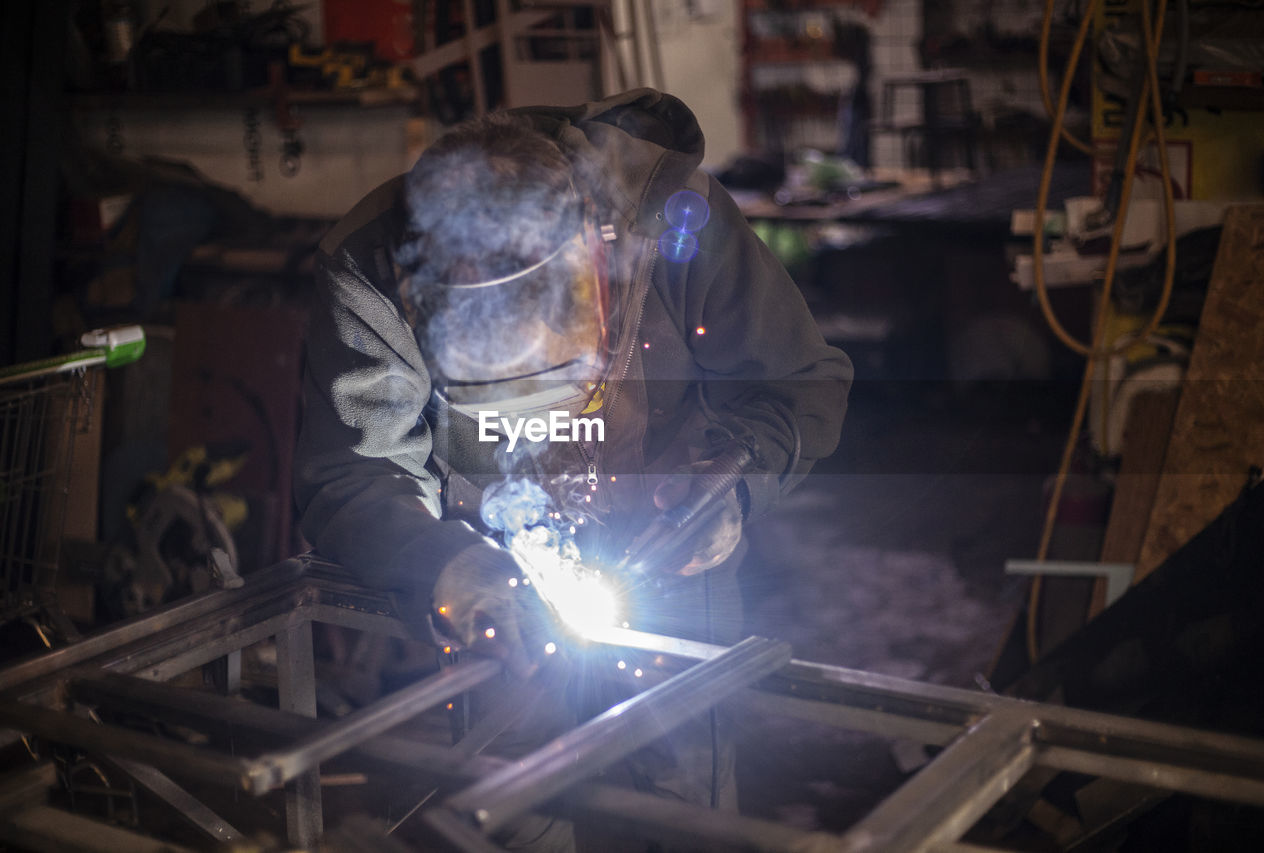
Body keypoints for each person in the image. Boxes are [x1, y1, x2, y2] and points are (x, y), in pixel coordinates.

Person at [294, 88, 852, 849]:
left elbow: (799, 382)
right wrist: (449, 562)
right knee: (514, 806)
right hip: (502, 594)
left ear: (593, 251)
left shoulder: (675, 220)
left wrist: (735, 486)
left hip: (671, 569)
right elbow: (357, 471)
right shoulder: (370, 261)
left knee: (681, 814)